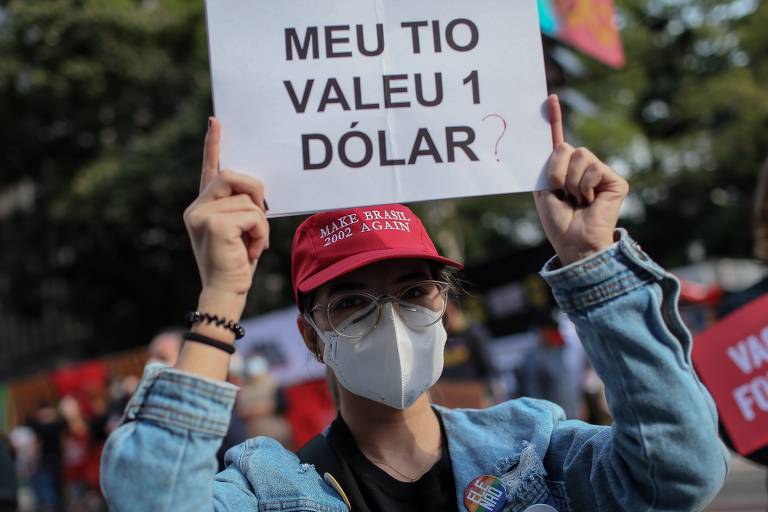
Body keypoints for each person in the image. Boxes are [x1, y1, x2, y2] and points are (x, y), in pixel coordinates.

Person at [100, 95, 729, 511]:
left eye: (411, 292)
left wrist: (592, 262)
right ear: (312, 336)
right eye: (350, 301)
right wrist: (221, 294)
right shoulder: (267, 489)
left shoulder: (537, 446)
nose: (391, 318)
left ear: (444, 309)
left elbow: (681, 473)